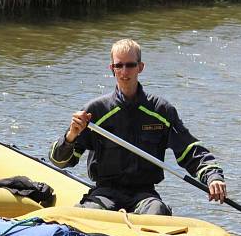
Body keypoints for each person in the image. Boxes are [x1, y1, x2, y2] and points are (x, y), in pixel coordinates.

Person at [49, 38, 226, 215]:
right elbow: (59, 161)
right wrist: (71, 136)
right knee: (90, 213)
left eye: (130, 65)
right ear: (112, 69)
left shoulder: (161, 110)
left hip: (144, 195)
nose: (124, 72)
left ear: (140, 67)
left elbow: (190, 150)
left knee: (158, 211)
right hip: (105, 193)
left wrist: (212, 176)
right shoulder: (95, 111)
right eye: (119, 66)